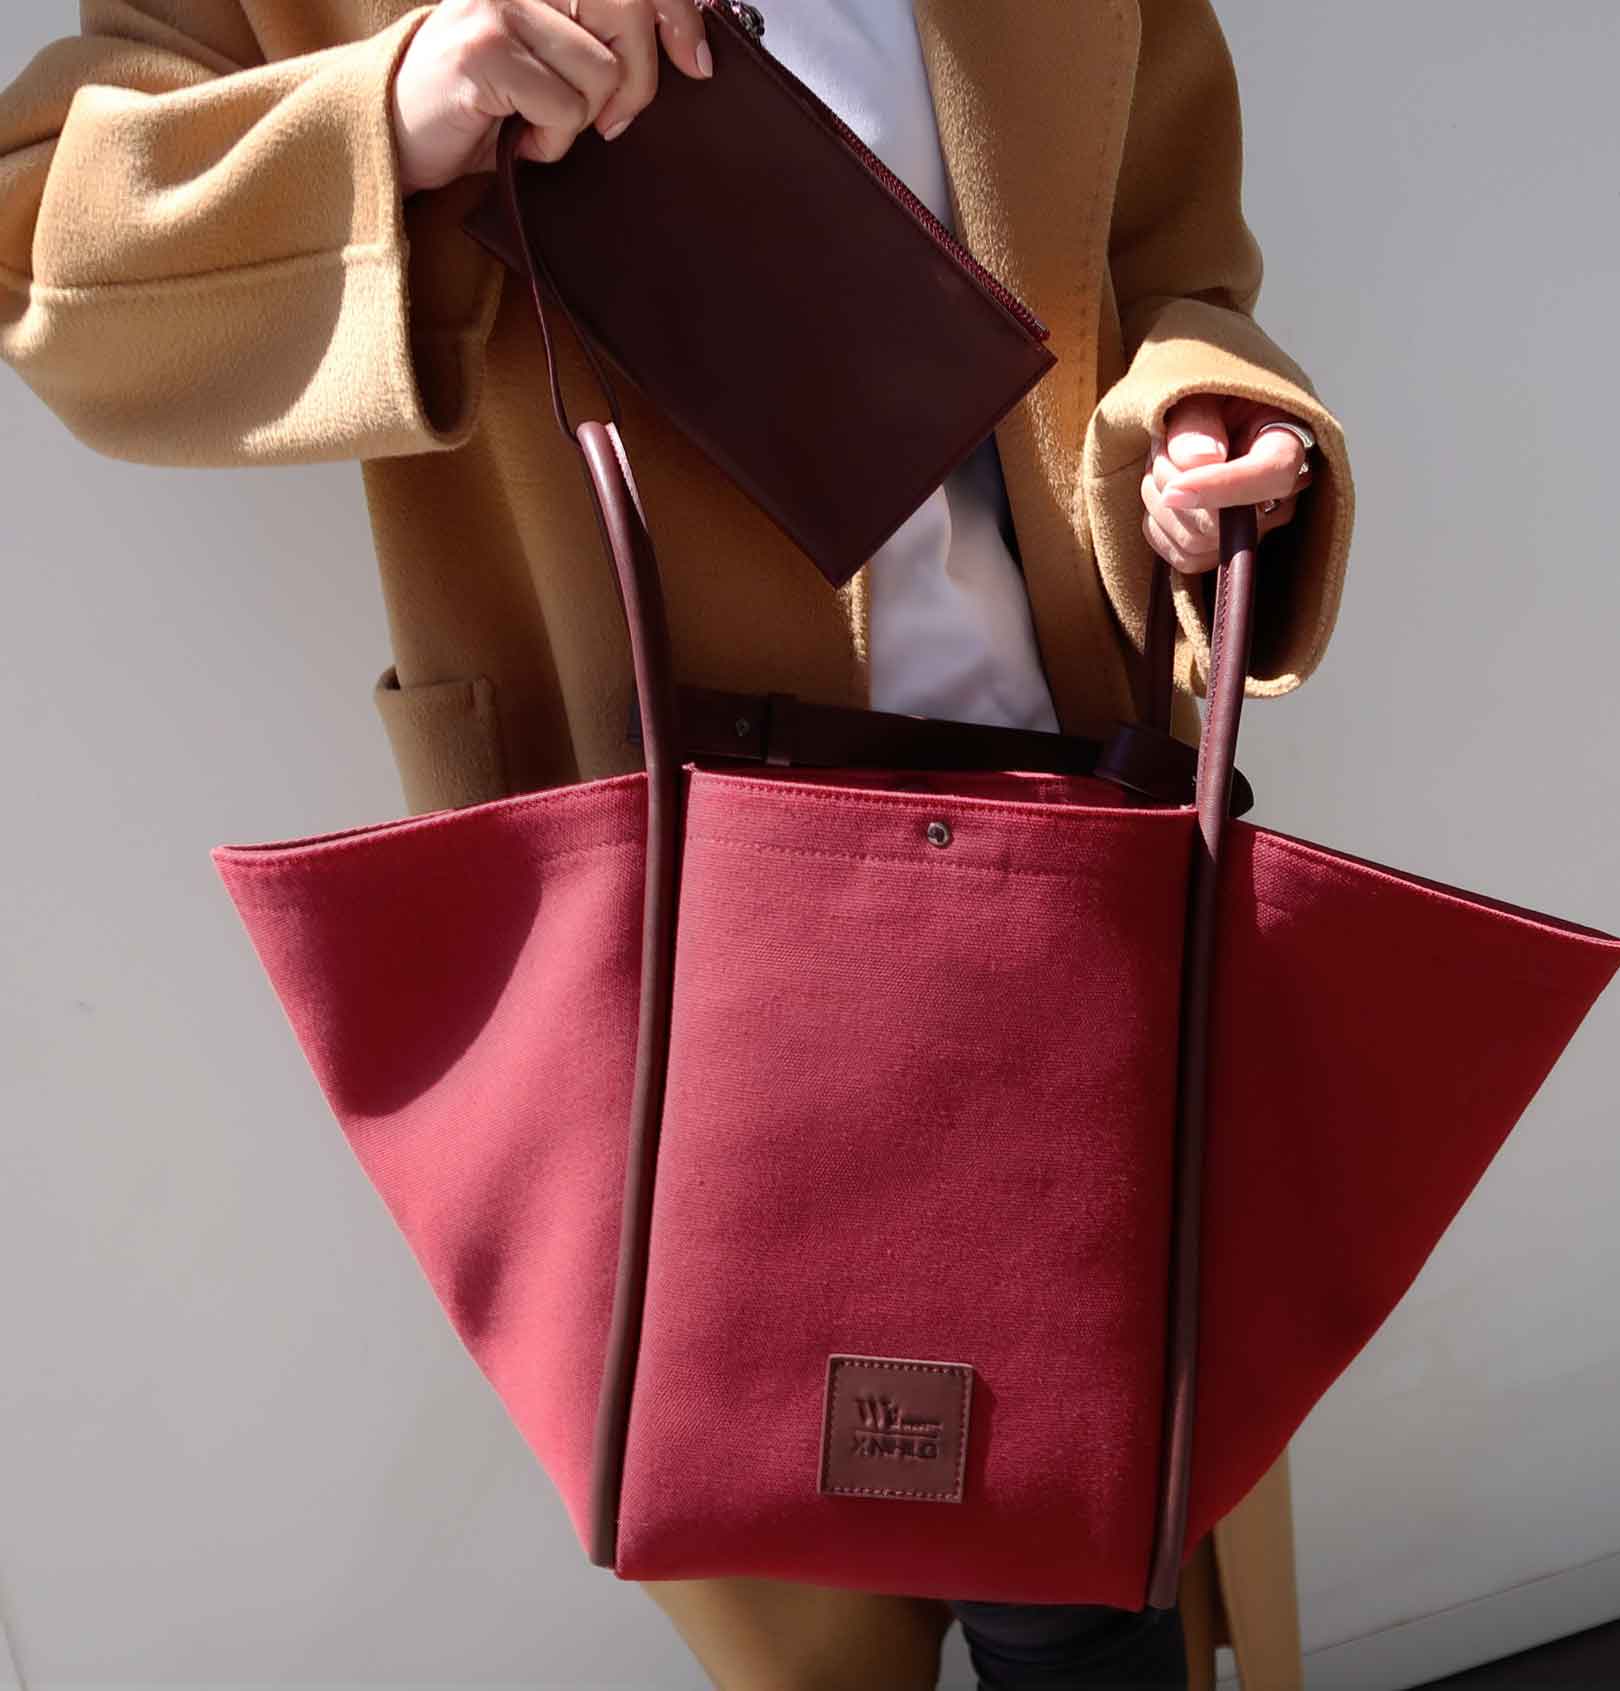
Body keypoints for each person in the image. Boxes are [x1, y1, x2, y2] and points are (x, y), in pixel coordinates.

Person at [0, 1, 1355, 1686]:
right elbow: (50, 244)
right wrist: (399, 109)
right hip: (679, 892)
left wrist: (1201, 426)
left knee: (1091, 1571)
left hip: (1063, 860)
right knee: (794, 1593)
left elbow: (1171, 269)